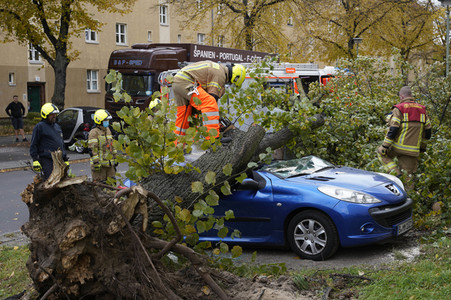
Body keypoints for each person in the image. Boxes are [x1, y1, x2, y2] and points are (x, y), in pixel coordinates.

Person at [172, 60, 246, 141]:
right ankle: (213, 137)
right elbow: (212, 100)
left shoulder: (217, 68)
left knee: (184, 115)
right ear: (235, 77)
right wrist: (219, 123)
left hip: (177, 82)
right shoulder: (220, 74)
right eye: (232, 83)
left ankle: (177, 147)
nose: (230, 84)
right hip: (186, 81)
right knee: (209, 102)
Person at [377, 86, 432, 190]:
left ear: (401, 97)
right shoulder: (423, 110)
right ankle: (409, 200)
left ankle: (396, 173)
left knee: (381, 153)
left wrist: (384, 146)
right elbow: (428, 132)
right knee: (408, 179)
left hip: (396, 148)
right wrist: (422, 148)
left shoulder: (399, 108)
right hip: (412, 151)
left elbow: (393, 129)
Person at [30, 103, 68, 180]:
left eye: (55, 114)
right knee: (51, 181)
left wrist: (65, 158)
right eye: (52, 114)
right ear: (45, 115)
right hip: (47, 160)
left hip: (59, 159)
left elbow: (61, 143)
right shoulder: (40, 127)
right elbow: (34, 143)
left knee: (62, 180)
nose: (54, 116)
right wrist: (35, 160)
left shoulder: (57, 126)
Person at [88, 109, 117, 183]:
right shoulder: (94, 132)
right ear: (99, 121)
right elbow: (93, 149)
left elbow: (112, 145)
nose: (107, 122)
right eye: (105, 120)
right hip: (100, 167)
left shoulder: (108, 130)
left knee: (112, 185)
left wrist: (115, 158)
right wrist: (96, 162)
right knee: (100, 187)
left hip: (110, 165)